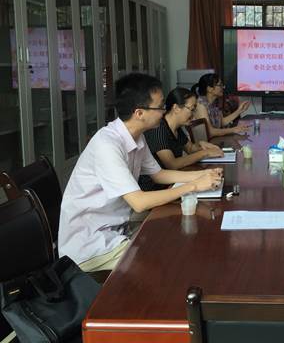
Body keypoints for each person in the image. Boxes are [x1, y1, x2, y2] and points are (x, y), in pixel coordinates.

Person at [58, 73, 222, 272]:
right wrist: (194, 185)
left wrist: (204, 175)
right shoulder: (107, 145)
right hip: (91, 243)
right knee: (167, 259)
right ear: (139, 113)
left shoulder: (136, 136)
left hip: (118, 227)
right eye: (160, 107)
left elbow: (159, 174)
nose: (164, 111)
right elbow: (139, 202)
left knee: (176, 236)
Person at [138, 87, 225, 191]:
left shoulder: (177, 127)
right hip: (155, 188)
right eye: (192, 109)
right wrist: (204, 153)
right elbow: (172, 164)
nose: (194, 115)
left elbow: (190, 148)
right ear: (176, 108)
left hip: (172, 181)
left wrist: (202, 145)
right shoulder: (158, 128)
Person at [192, 73, 250, 137]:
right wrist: (233, 130)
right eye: (220, 85)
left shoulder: (213, 102)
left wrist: (240, 110)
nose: (223, 87)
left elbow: (222, 122)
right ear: (209, 89)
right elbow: (210, 132)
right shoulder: (201, 104)